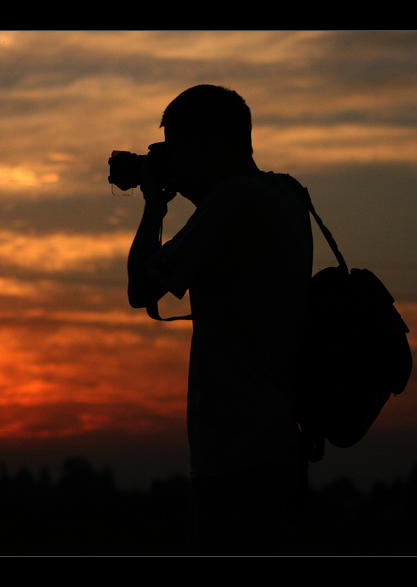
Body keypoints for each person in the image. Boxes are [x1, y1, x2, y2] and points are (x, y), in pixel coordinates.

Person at [126, 85, 313, 555]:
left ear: (205, 142)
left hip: (237, 452)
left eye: (176, 145)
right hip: (278, 438)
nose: (171, 157)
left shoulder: (232, 202)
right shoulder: (283, 193)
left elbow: (140, 288)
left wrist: (154, 205)